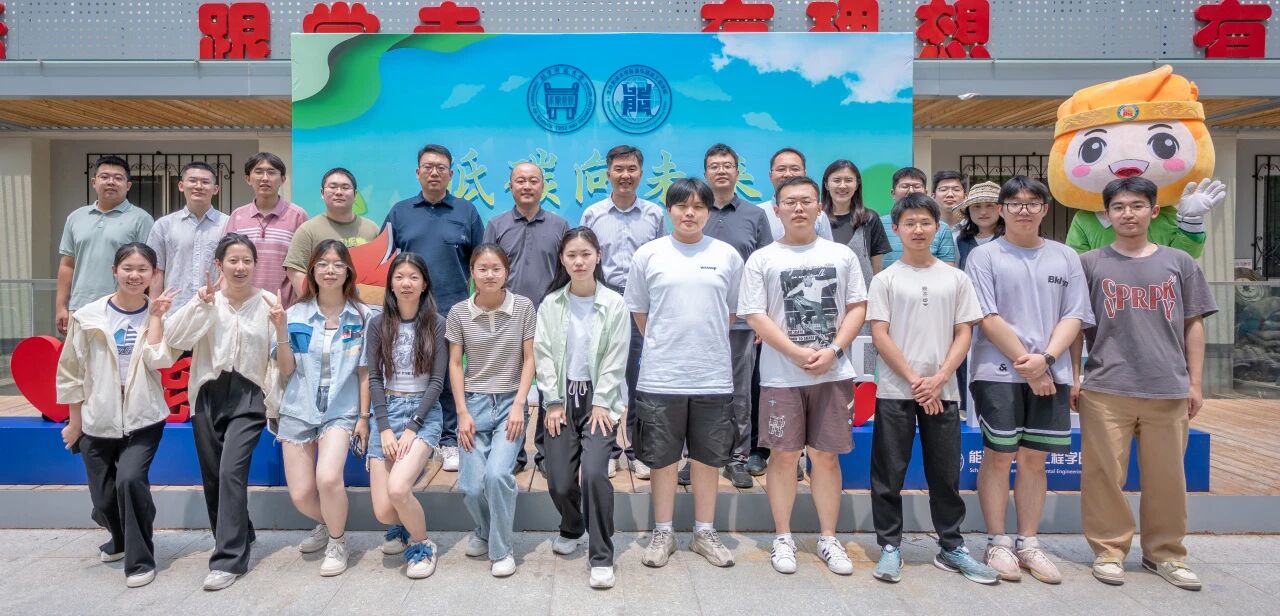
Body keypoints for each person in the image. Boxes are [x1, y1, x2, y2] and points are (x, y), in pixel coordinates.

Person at [1071, 177, 1217, 590]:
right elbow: (1076, 325)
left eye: (1137, 205)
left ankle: (1165, 554)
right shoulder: (1090, 264)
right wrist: (1075, 377)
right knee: (1103, 474)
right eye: (1119, 207)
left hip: (1166, 386)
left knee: (1168, 477)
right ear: (1107, 214)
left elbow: (1193, 324)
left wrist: (1195, 383)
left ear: (1154, 211)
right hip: (1105, 386)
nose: (1128, 214)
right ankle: (1109, 550)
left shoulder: (1180, 263)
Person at [965, 176, 1092, 585]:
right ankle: (997, 540)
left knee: (1035, 460)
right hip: (997, 372)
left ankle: (1029, 542)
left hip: (1051, 372)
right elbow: (986, 316)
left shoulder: (1065, 257)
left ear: (1045, 209)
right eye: (1015, 203)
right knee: (999, 455)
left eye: (1032, 203)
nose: (1024, 210)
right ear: (1002, 210)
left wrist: (1047, 360)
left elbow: (1074, 315)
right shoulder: (984, 256)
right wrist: (1030, 364)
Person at [738, 176, 867, 576]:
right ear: (776, 210)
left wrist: (834, 351)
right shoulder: (762, 259)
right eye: (790, 202)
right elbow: (754, 313)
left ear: (819, 207)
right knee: (783, 456)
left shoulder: (841, 255)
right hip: (781, 376)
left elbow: (857, 307)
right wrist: (794, 351)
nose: (798, 208)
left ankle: (829, 537)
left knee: (826, 456)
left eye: (806, 201)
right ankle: (783, 536)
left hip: (833, 372)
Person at [866, 193, 996, 585]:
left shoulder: (956, 278)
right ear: (897, 229)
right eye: (909, 223)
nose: (918, 229)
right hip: (895, 390)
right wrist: (914, 379)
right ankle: (890, 546)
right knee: (888, 473)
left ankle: (951, 545)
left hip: (944, 391)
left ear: (937, 227)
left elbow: (964, 332)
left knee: (945, 472)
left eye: (925, 222)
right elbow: (880, 334)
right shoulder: (885, 279)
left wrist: (938, 378)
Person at [627, 178, 744, 569]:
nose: (690, 213)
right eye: (682, 206)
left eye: (698, 206)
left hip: (712, 375)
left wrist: (701, 343)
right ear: (669, 210)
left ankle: (704, 532)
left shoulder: (727, 255)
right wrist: (667, 343)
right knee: (662, 459)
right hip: (661, 376)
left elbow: (730, 312)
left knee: (708, 458)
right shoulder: (649, 254)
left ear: (709, 212)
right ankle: (663, 532)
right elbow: (640, 311)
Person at [163, 233, 287, 591]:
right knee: (214, 475)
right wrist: (198, 306)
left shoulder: (268, 303)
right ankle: (241, 531)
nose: (240, 267)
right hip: (207, 393)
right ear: (219, 264)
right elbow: (174, 340)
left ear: (255, 264)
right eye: (233, 260)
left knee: (232, 470)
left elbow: (278, 358)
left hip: (249, 395)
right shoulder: (207, 300)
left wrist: (280, 327)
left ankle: (228, 559)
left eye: (247, 260)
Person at [56, 243, 175, 589]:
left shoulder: (160, 314)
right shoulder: (88, 316)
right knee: (104, 498)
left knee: (130, 481)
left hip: (144, 417)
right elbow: (71, 371)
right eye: (128, 268)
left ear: (153, 274)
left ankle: (140, 561)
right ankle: (120, 538)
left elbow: (160, 361)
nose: (135, 275)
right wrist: (75, 422)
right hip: (98, 418)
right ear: (114, 271)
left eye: (143, 269)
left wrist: (156, 318)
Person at [534, 227, 630, 589]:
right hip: (560, 399)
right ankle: (572, 525)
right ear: (562, 259)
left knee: (593, 474)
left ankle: (601, 554)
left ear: (598, 257)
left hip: (597, 400)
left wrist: (603, 401)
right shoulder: (551, 303)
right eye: (571, 255)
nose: (579, 261)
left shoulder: (614, 303)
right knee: (559, 481)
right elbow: (543, 353)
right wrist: (552, 401)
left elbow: (617, 356)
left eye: (586, 254)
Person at [385, 145, 485, 473]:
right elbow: (385, 262)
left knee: (447, 374)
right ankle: (417, 437)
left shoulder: (466, 211)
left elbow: (481, 261)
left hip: (453, 309)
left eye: (441, 167)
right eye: (428, 166)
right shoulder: (400, 212)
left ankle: (449, 440)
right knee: (412, 374)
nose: (434, 172)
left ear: (451, 174)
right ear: (418, 172)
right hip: (408, 312)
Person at [273, 240, 369, 577]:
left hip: (341, 410)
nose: (330, 270)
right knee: (301, 495)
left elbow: (365, 372)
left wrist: (364, 417)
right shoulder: (294, 314)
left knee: (328, 479)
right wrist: (280, 330)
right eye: (323, 264)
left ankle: (338, 541)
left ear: (348, 271)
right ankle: (328, 523)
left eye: (338, 264)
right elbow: (286, 369)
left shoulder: (363, 316)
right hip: (298, 408)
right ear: (312, 270)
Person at [447, 244, 537, 578]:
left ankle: (501, 549)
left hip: (510, 403)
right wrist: (462, 412)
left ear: (506, 272)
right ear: (472, 272)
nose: (489, 275)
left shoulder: (523, 307)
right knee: (471, 486)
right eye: (482, 269)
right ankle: (484, 530)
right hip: (474, 403)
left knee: (497, 475)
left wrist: (520, 405)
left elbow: (530, 358)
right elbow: (456, 364)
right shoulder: (459, 312)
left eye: (496, 268)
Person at [582, 145, 667, 481]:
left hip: (642, 305)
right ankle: (607, 450)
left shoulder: (654, 215)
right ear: (608, 173)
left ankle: (638, 451)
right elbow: (583, 259)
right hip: (603, 301)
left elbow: (662, 261)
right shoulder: (593, 215)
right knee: (604, 376)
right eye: (619, 169)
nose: (625, 175)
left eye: (631, 169)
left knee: (639, 379)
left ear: (641, 173)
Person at [365, 253, 448, 579]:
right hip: (386, 411)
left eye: (414, 277)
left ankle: (423, 544)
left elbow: (437, 383)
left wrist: (413, 427)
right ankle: (401, 524)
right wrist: (384, 428)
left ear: (424, 283)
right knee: (383, 511)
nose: (406, 283)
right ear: (391, 284)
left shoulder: (437, 323)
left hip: (422, 413)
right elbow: (374, 378)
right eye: (399, 277)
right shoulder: (377, 324)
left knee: (398, 489)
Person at [484, 162, 570, 473]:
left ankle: (548, 455)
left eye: (533, 180)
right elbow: (486, 271)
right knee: (510, 386)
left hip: (549, 318)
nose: (527, 186)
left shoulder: (559, 225)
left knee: (550, 386)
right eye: (520, 180)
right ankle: (514, 453)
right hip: (506, 318)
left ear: (543, 186)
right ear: (511, 186)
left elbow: (566, 271)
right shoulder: (496, 225)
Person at [702, 143, 772, 489]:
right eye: (714, 166)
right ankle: (700, 457)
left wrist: (763, 318)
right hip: (699, 322)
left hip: (743, 322)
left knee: (739, 393)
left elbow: (766, 269)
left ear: (737, 172)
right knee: (699, 392)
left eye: (727, 165)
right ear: (705, 173)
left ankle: (737, 458)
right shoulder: (694, 210)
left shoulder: (754, 215)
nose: (721, 170)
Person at [56, 155, 154, 335]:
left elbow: (147, 268)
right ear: (94, 182)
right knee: (79, 354)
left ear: (128, 185)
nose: (111, 182)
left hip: (124, 308)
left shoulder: (142, 219)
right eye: (104, 177)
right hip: (80, 307)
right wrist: (61, 306)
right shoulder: (76, 217)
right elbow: (67, 265)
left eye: (118, 178)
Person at [224, 153, 308, 305]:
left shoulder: (297, 216)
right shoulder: (237, 216)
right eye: (258, 172)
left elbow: (305, 265)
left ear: (283, 179)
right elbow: (227, 262)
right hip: (243, 306)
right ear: (248, 179)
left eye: (271, 172)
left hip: (285, 307)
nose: (265, 178)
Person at [284, 168, 381, 298]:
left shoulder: (372, 229)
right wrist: (314, 303)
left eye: (345, 187)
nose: (339, 192)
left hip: (365, 305)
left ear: (355, 194)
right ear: (322, 192)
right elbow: (296, 270)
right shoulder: (307, 230)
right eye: (333, 187)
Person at [146, 161, 228, 312]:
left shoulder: (228, 224)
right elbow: (157, 271)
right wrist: (154, 311)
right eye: (192, 180)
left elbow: (229, 270)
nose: (198, 186)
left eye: (205, 182)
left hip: (215, 309)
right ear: (181, 185)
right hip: (173, 309)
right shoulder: (163, 225)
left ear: (215, 189)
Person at [821, 159, 891, 286]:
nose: (842, 186)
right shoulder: (817, 219)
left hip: (863, 295)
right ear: (826, 185)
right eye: (837, 180)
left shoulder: (870, 218)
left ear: (857, 184)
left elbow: (876, 269)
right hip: (825, 295)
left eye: (848, 180)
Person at [880, 167, 957, 268]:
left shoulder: (942, 227)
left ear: (926, 192)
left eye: (917, 186)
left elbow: (947, 268)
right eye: (904, 186)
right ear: (893, 193)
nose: (911, 191)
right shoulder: (878, 224)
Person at [756, 147, 833, 241]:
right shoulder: (757, 213)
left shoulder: (818, 214)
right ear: (770, 175)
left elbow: (828, 248)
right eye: (781, 169)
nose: (788, 174)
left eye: (795, 169)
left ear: (804, 174)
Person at [954, 181, 1004, 270]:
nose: (983, 212)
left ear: (1000, 209)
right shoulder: (961, 241)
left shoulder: (1010, 239)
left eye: (989, 205)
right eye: (977, 206)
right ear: (968, 211)